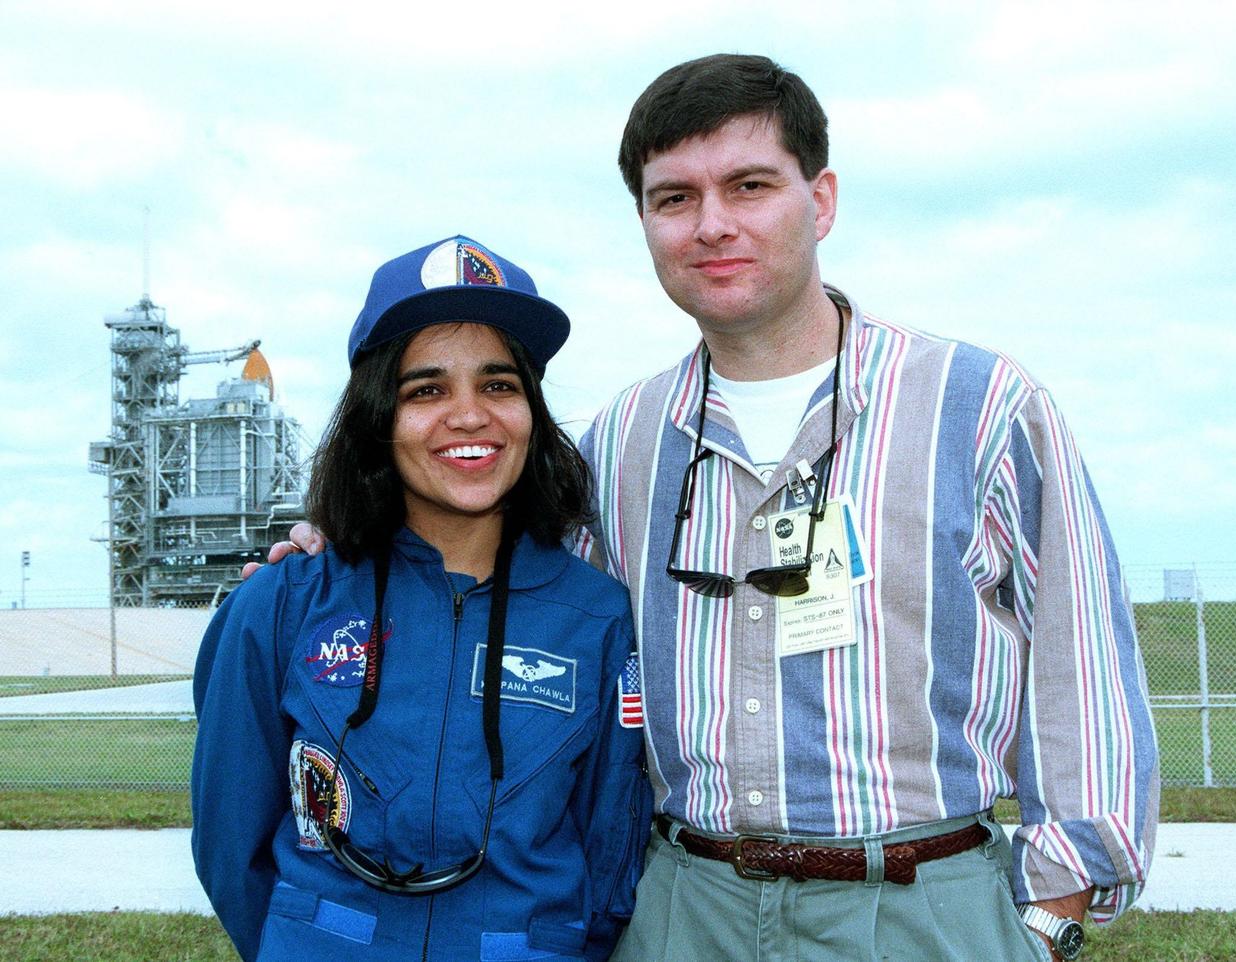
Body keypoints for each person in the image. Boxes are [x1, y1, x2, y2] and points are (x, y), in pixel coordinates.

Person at [258, 56, 1158, 961]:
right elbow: (489, 574)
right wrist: (340, 533)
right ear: (646, 223)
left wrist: (1050, 919)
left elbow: (1082, 669)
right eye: (674, 198)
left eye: (750, 185)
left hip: (919, 905)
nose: (713, 225)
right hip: (685, 907)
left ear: (824, 199)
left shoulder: (981, 407)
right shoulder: (620, 441)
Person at [192, 235, 650, 962]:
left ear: (531, 409)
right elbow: (230, 841)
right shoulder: (284, 603)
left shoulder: (595, 618)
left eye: (499, 385)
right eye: (427, 389)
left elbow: (611, 846)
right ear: (380, 418)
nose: (469, 416)